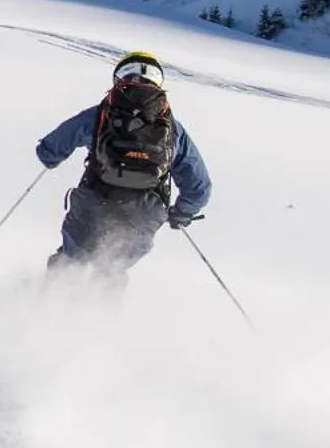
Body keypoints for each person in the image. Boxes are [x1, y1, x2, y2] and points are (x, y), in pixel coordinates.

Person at [34, 51, 211, 290]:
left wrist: (49, 157)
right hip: (145, 212)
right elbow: (199, 186)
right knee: (113, 268)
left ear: (119, 77)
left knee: (70, 259)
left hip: (95, 200)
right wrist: (182, 212)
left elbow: (52, 147)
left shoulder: (101, 114)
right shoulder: (172, 127)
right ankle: (100, 322)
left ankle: (41, 311)